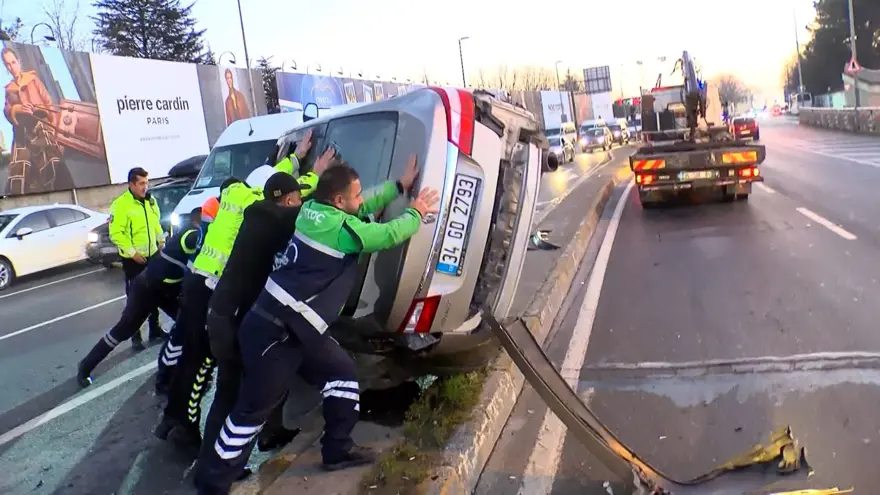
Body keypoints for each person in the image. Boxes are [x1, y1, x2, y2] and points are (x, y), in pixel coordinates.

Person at [194, 159, 438, 493]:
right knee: (249, 414)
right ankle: (212, 483)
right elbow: (387, 234)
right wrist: (416, 211)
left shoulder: (310, 210)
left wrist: (397, 186)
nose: (358, 202)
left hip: (297, 327)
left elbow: (362, 203)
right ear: (339, 202)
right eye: (352, 197)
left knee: (342, 373)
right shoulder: (342, 230)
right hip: (276, 333)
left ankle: (337, 449)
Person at [156, 132, 333, 452]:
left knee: (193, 354)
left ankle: (174, 416)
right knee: (210, 361)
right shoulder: (258, 205)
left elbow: (271, 175)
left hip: (198, 281)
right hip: (215, 289)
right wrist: (315, 172)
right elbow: (290, 197)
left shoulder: (236, 191)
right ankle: (186, 426)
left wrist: (294, 157)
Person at [199, 172, 309, 471]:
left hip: (223, 312)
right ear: (288, 200)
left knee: (261, 380)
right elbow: (314, 213)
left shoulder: (258, 215)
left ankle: (268, 435)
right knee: (234, 393)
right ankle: (217, 465)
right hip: (231, 319)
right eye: (298, 199)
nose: (299, 204)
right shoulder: (275, 219)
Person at [76, 207, 203, 387]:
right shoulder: (193, 235)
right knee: (123, 330)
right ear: (199, 221)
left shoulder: (193, 232)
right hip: (148, 288)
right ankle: (85, 366)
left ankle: (172, 374)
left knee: (188, 325)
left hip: (167, 288)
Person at [155, 196, 219, 395]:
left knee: (179, 336)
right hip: (198, 293)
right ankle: (171, 379)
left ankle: (165, 376)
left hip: (190, 289)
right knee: (189, 340)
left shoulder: (203, 232)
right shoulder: (213, 235)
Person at [1, 46, 74, 195]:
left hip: (41, 127)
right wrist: (18, 109)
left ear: (18, 61)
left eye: (13, 62)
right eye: (7, 64)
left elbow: (48, 102)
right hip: (22, 135)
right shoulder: (9, 89)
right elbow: (7, 111)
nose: (11, 66)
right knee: (19, 171)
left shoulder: (33, 79)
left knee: (52, 162)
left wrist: (37, 110)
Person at [109, 167, 165, 350]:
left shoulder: (150, 201)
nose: (145, 187)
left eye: (146, 183)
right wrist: (132, 252)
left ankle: (155, 329)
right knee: (135, 298)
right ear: (131, 184)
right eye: (141, 183)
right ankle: (135, 335)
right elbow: (116, 233)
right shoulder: (121, 204)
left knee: (155, 293)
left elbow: (156, 223)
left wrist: (161, 240)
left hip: (153, 255)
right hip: (134, 260)